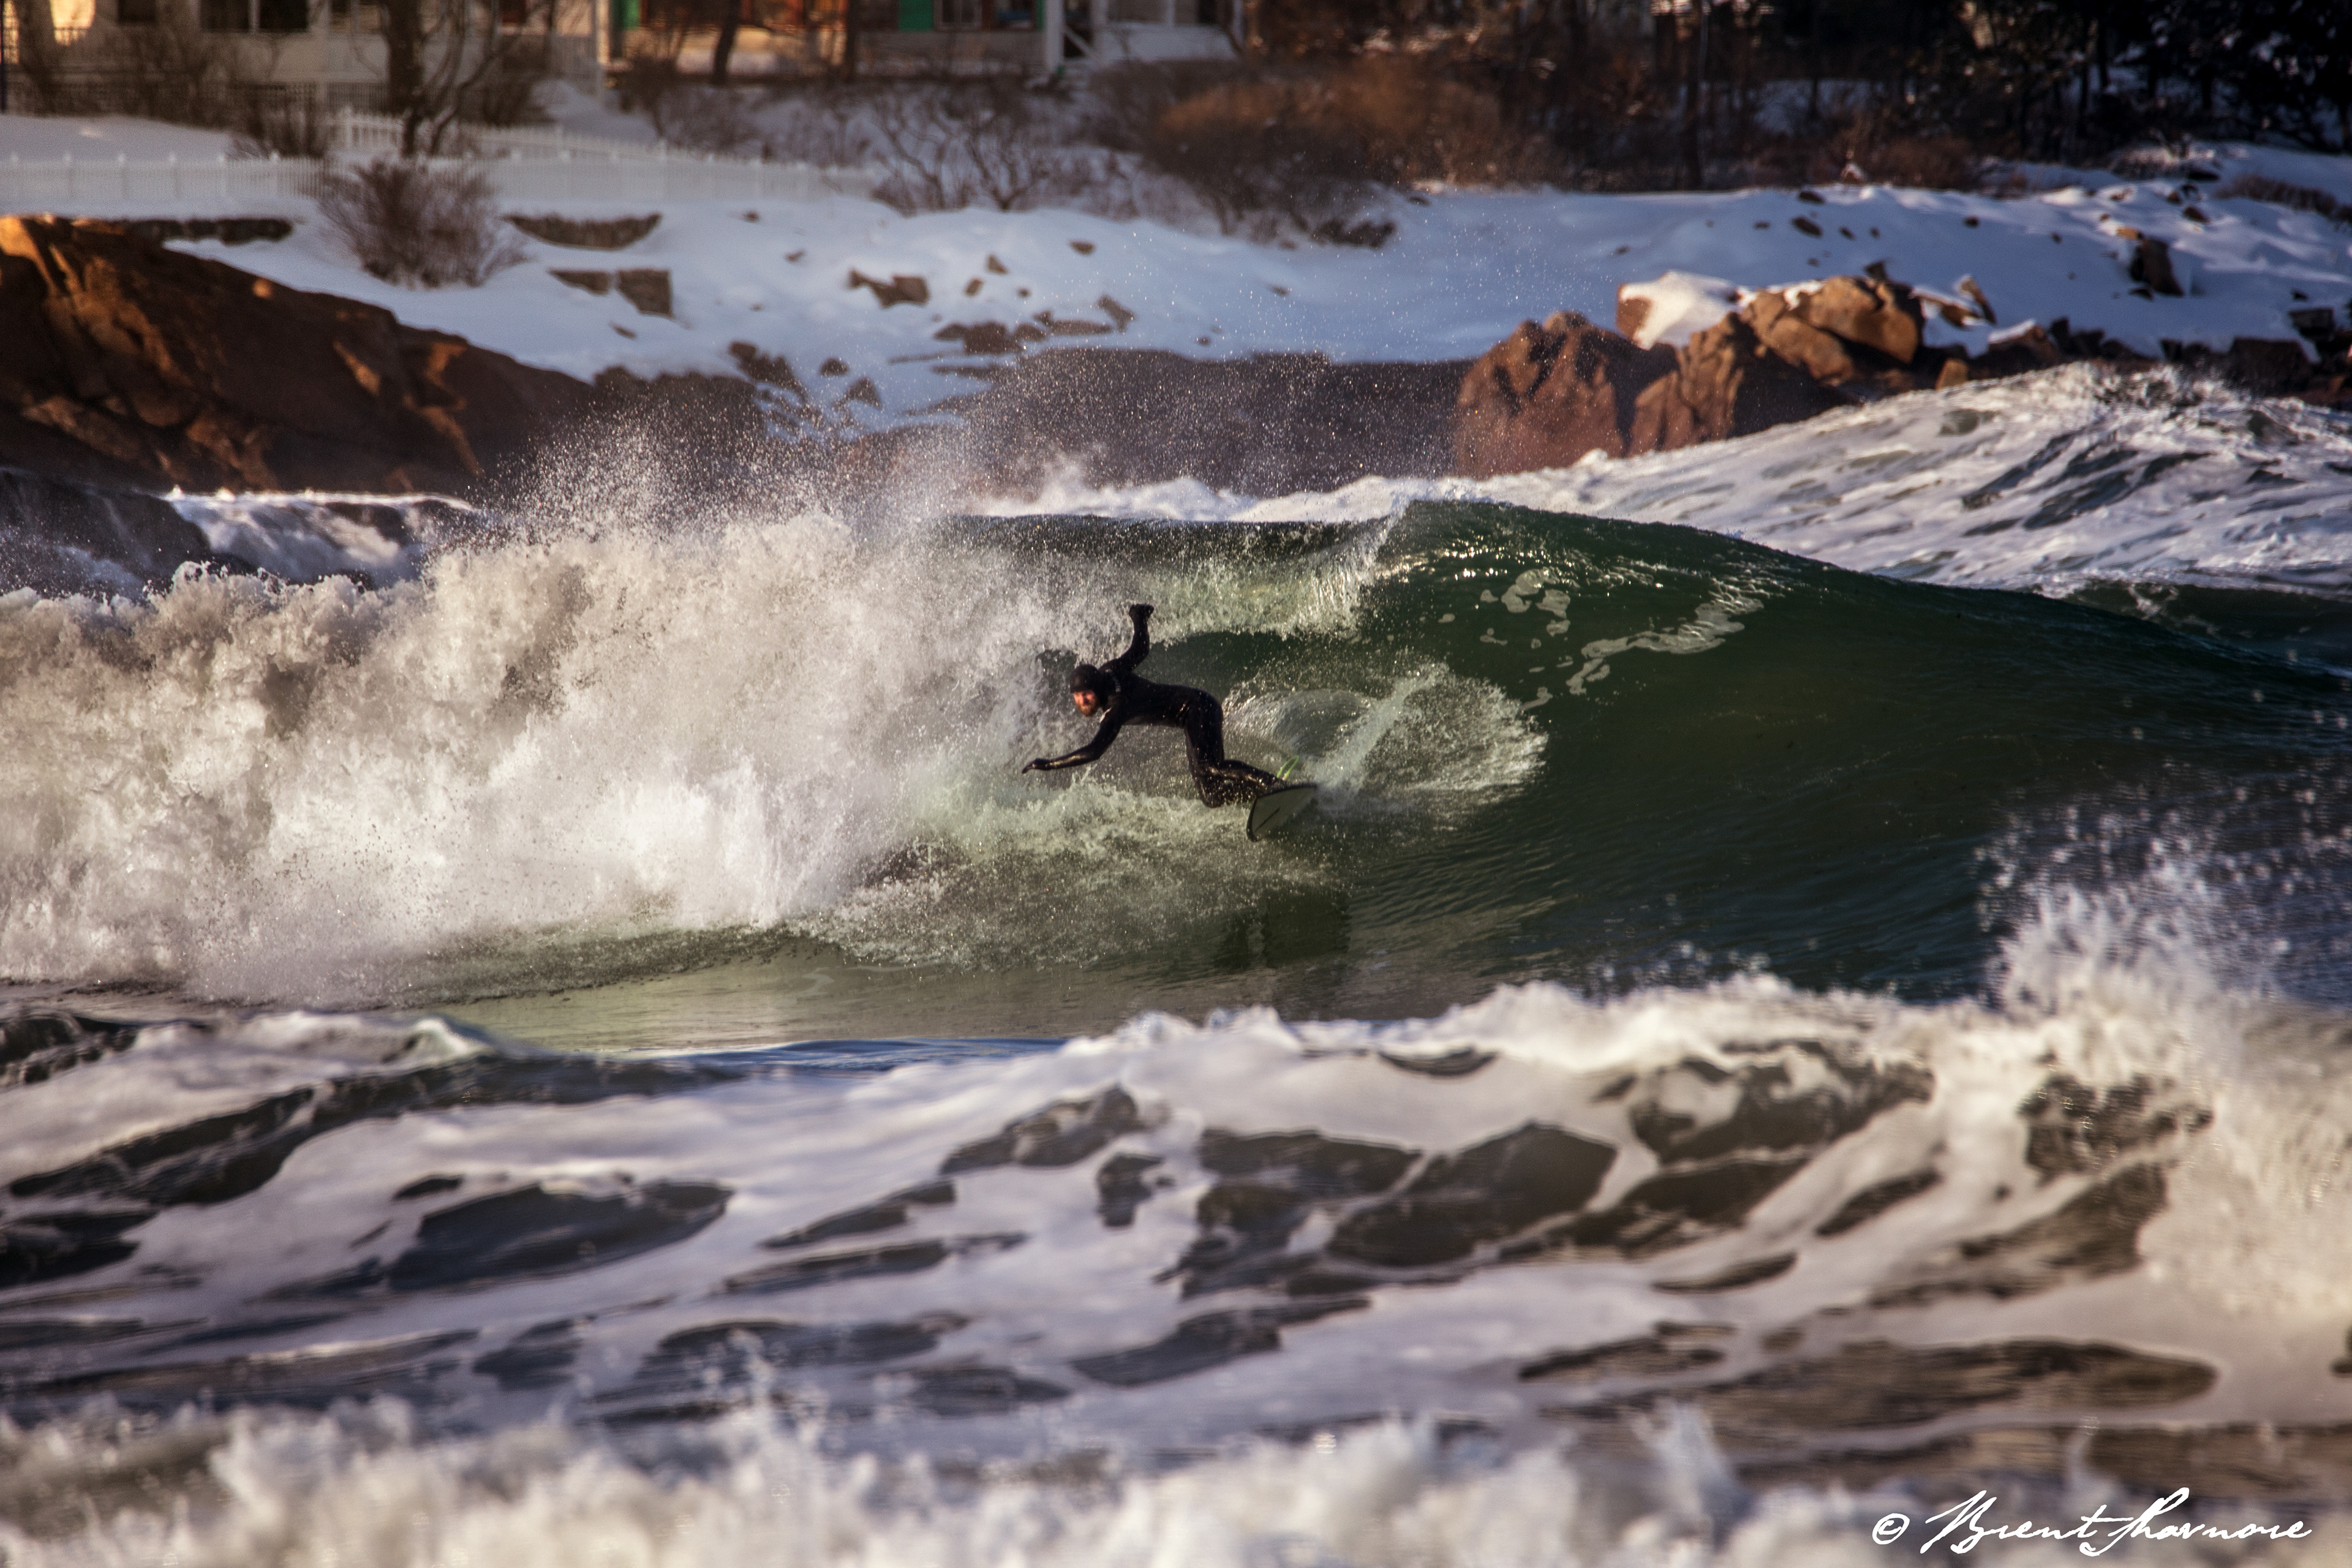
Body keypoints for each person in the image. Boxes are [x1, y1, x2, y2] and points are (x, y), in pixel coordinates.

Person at [1023, 603, 1281, 808]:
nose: (1083, 701)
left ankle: (1272, 785)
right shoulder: (1109, 671)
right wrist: (1139, 618)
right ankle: (1260, 793)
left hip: (1199, 707)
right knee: (1211, 797)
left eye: (1086, 694)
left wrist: (1048, 765)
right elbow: (1140, 650)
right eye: (1077, 696)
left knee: (1207, 766)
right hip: (1193, 713)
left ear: (1097, 688)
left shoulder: (1116, 708)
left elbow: (1094, 751)